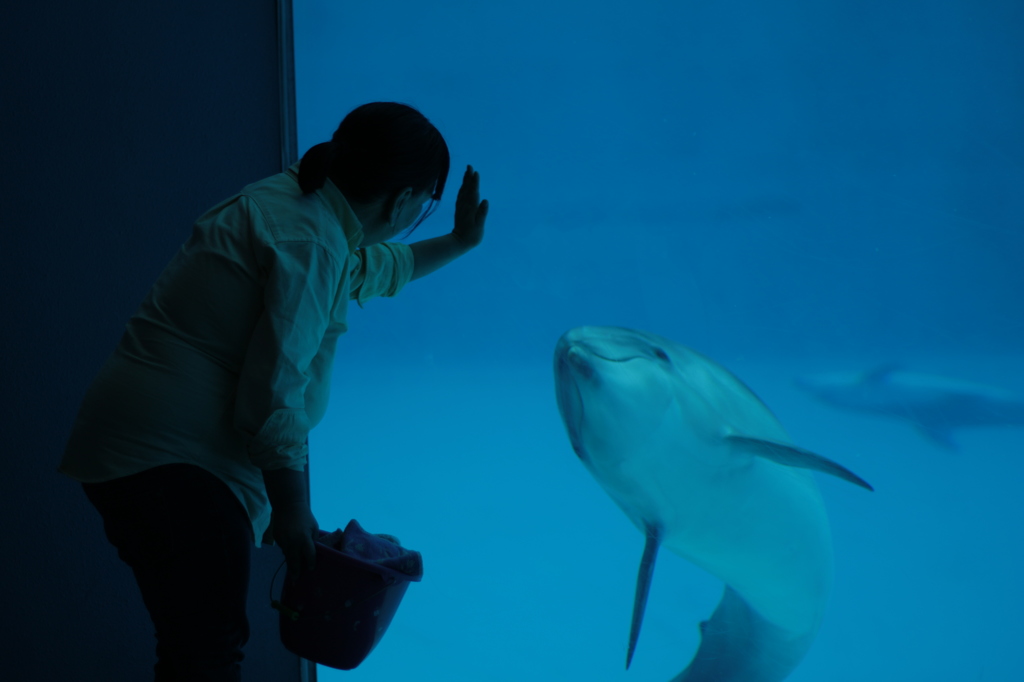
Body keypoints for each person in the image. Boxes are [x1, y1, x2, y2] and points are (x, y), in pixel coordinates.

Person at [58, 101, 489, 681]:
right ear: (404, 199)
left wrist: (459, 241)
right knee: (206, 652)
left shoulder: (302, 208)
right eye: (424, 204)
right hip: (173, 461)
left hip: (146, 451)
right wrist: (292, 510)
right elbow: (272, 392)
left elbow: (372, 269)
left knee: (199, 641)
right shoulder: (311, 241)